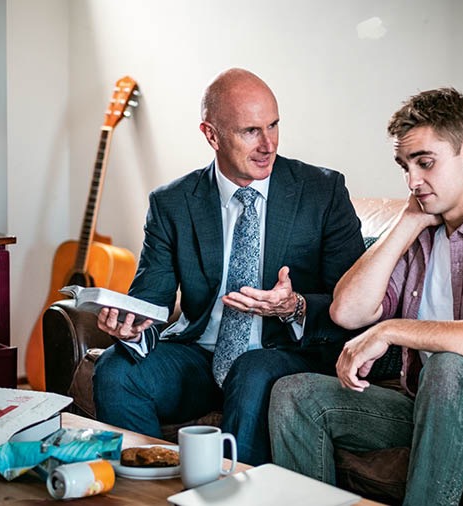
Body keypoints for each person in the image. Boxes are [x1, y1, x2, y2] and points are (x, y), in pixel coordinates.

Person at [269, 87, 463, 505]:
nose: (413, 181)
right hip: (431, 407)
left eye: (425, 162)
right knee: (295, 395)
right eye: (405, 166)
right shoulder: (421, 234)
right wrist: (407, 222)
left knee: (450, 367)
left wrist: (392, 330)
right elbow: (347, 312)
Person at [92, 67, 365, 466]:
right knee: (115, 370)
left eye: (273, 126)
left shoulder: (323, 192)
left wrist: (295, 306)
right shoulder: (173, 203)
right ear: (212, 135)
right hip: (201, 358)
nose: (268, 144)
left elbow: (355, 301)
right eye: (251, 131)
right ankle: (150, 485)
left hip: (284, 356)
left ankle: (230, 490)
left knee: (252, 370)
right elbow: (151, 299)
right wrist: (131, 325)